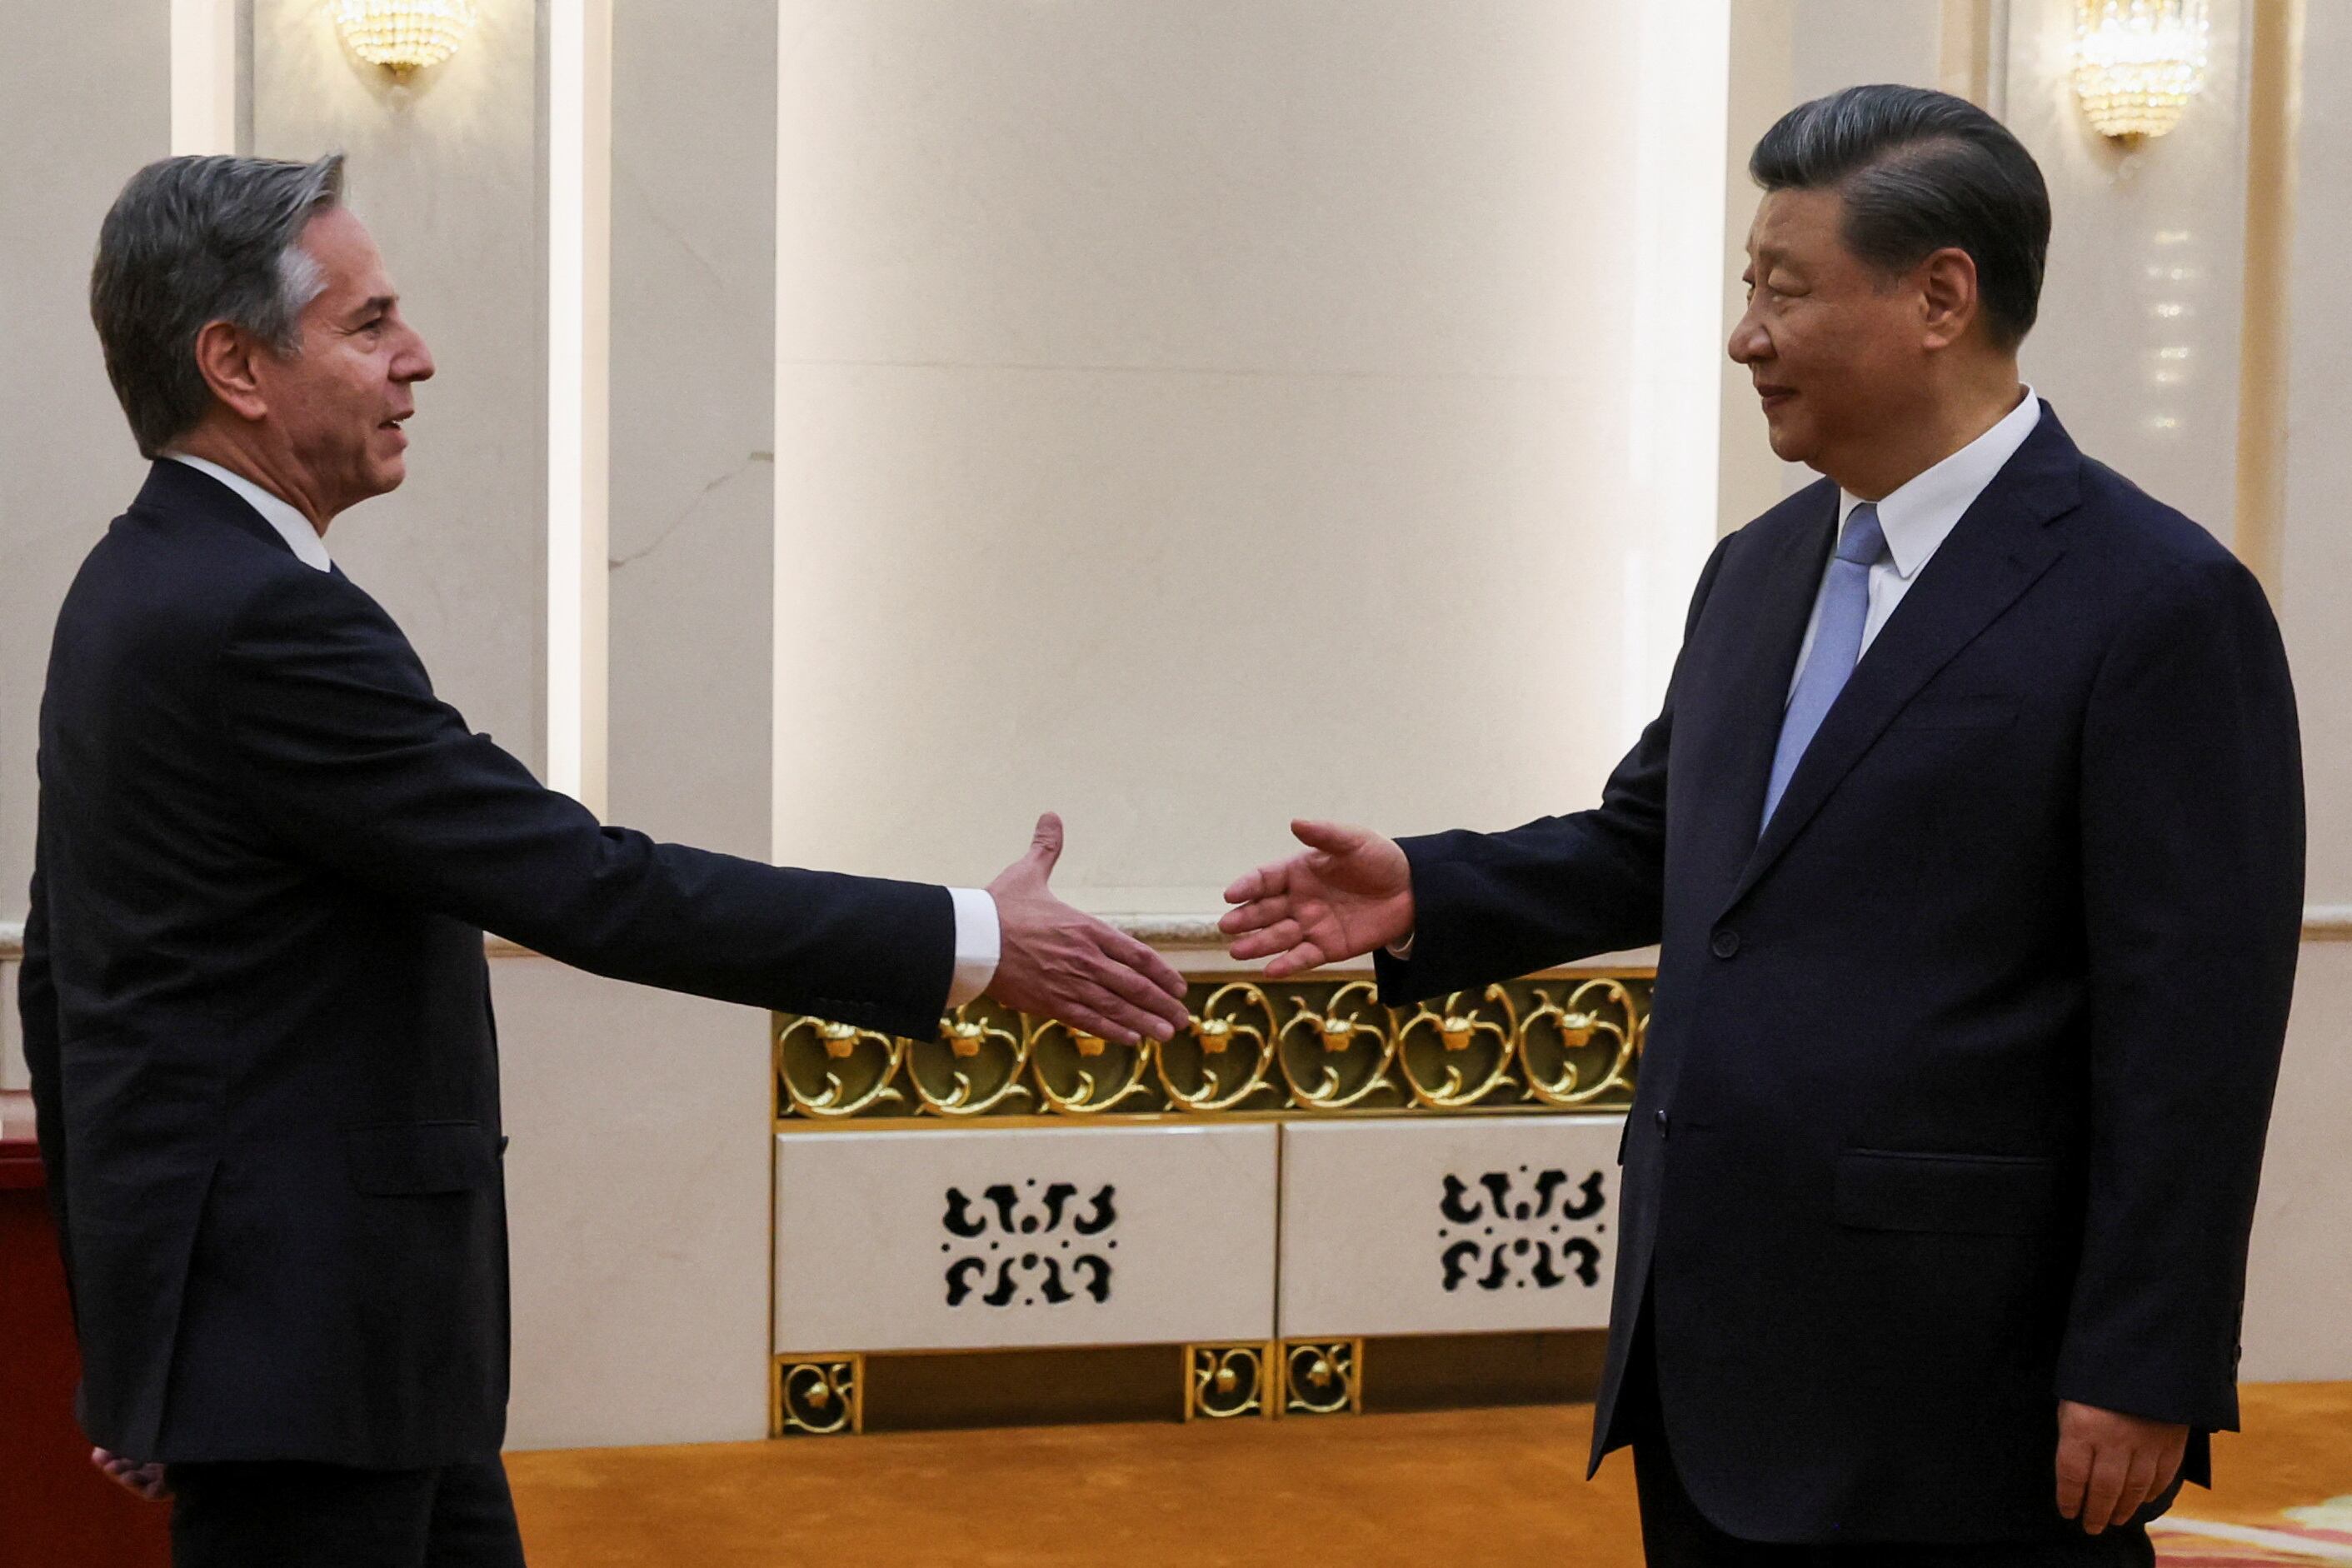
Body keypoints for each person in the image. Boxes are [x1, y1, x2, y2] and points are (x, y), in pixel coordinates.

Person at [19, 152, 1191, 1567]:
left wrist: (137, 1338)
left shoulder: (135, 584)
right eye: (370, 322)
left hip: (345, 1356)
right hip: (311, 1362)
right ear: (235, 365)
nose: (418, 357)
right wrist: (972, 941)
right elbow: (588, 881)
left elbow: (67, 986)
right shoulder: (255, 618)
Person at [1221, 84, 2302, 1565]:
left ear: (1940, 299)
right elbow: (1655, 842)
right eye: (1749, 287)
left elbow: (2197, 1030)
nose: (1746, 337)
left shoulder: (2158, 602)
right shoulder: (1758, 569)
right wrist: (1431, 889)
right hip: (1708, 1359)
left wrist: (2144, 1358)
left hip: (1964, 1382)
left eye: (1784, 291)